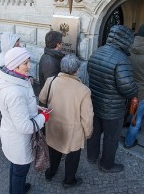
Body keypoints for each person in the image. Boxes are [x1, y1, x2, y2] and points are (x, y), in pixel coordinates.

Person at [0, 47, 48, 194]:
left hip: (11, 134)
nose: (29, 66)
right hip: (18, 140)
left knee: (15, 167)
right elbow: (25, 127)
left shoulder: (11, 79)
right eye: (25, 63)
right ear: (14, 66)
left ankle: (15, 189)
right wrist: (44, 117)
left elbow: (22, 106)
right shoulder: (14, 92)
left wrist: (36, 108)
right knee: (20, 170)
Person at [87, 25, 138, 173]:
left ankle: (91, 156)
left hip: (95, 102)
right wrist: (136, 90)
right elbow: (128, 88)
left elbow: (90, 72)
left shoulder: (97, 52)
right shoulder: (122, 60)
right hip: (113, 109)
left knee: (94, 133)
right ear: (125, 40)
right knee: (111, 138)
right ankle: (107, 165)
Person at [39, 54, 93, 189]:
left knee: (54, 150)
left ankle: (50, 173)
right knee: (73, 156)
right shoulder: (84, 90)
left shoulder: (51, 81)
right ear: (76, 70)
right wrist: (88, 132)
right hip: (73, 130)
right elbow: (87, 116)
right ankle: (69, 181)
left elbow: (42, 98)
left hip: (54, 125)